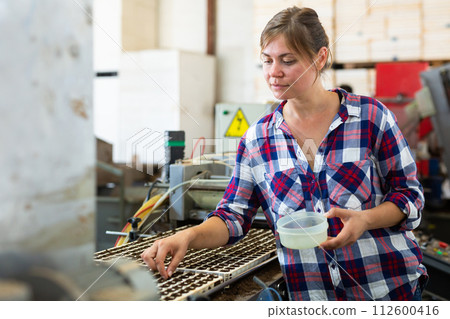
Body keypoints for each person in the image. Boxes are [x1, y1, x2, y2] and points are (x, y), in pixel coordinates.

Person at [142, 6, 427, 301]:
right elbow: (233, 216)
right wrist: (187, 236)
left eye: (287, 61)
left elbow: (409, 196)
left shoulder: (370, 117)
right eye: (266, 61)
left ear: (320, 57)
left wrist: (366, 219)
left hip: (388, 289)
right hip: (312, 297)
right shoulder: (257, 139)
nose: (273, 72)